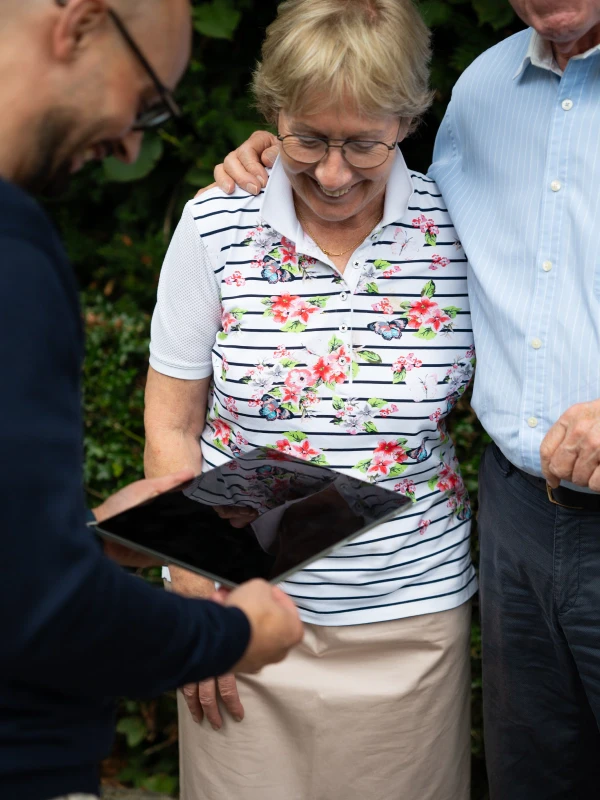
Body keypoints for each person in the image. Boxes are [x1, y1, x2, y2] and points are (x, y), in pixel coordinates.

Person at [214, 0, 600, 797]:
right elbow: (382, 206)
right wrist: (288, 149)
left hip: (437, 579)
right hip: (518, 519)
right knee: (536, 778)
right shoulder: (486, 90)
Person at [145, 1, 476, 798]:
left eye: (362, 142)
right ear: (273, 116)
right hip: (245, 615)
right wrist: (195, 591)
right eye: (308, 140)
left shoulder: (460, 227)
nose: (333, 173)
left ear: (408, 117)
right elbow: (172, 419)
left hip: (409, 618)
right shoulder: (216, 224)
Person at [0, 2, 303, 800]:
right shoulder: (12, 259)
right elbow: (48, 614)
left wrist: (86, 540)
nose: (133, 143)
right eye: (146, 102)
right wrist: (234, 633)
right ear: (79, 24)